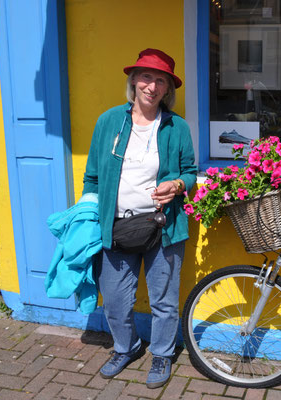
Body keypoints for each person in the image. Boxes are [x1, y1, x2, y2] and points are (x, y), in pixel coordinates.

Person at [82, 48, 197, 389]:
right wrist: (88, 215)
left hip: (163, 227)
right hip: (115, 226)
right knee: (115, 301)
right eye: (146, 77)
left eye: (160, 80)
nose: (152, 86)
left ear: (167, 90)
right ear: (133, 82)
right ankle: (126, 347)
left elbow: (191, 172)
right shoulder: (108, 122)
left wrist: (177, 184)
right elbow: (92, 176)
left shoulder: (177, 127)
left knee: (163, 299)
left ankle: (161, 353)